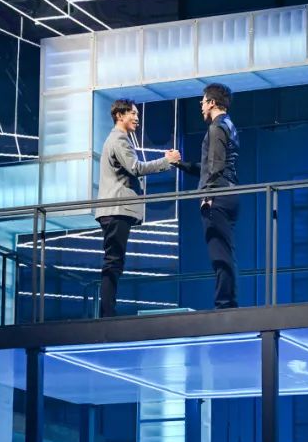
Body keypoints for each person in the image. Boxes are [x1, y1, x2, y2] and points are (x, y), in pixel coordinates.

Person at [95, 98, 181, 317]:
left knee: (114, 261)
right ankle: (107, 314)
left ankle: (107, 312)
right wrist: (167, 161)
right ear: (119, 115)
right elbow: (136, 168)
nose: (137, 118)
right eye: (132, 114)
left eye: (137, 114)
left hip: (115, 210)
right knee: (113, 262)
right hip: (116, 209)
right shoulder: (119, 139)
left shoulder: (117, 139)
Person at [176, 83, 240, 310]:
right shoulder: (229, 125)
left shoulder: (216, 127)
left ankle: (224, 305)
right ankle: (227, 302)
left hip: (217, 196)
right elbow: (209, 166)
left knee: (219, 254)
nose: (201, 106)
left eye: (203, 102)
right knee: (225, 251)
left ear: (212, 103)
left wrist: (208, 195)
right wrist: (180, 164)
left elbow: (215, 166)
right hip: (230, 193)